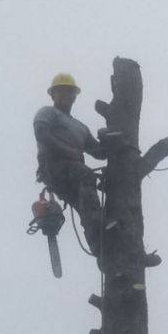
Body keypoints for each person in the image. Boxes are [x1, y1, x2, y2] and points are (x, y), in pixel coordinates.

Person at [34, 73, 106, 257]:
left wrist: (109, 140)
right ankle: (99, 227)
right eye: (61, 91)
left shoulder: (80, 127)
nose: (65, 95)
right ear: (52, 95)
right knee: (86, 176)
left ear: (75, 96)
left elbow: (98, 152)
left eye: (69, 91)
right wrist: (66, 150)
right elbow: (41, 133)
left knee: (86, 207)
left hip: (72, 172)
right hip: (54, 165)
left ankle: (101, 249)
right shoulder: (48, 113)